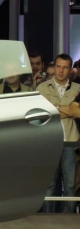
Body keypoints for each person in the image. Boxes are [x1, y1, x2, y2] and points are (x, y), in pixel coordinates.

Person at [38, 54, 80, 213]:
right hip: (49, 141)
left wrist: (56, 109)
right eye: (59, 66)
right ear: (54, 67)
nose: (61, 70)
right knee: (49, 185)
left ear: (70, 69)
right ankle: (48, 218)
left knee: (70, 185)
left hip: (71, 141)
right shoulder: (42, 88)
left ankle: (69, 218)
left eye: (65, 67)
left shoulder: (78, 89)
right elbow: (41, 114)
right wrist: (67, 110)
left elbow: (76, 112)